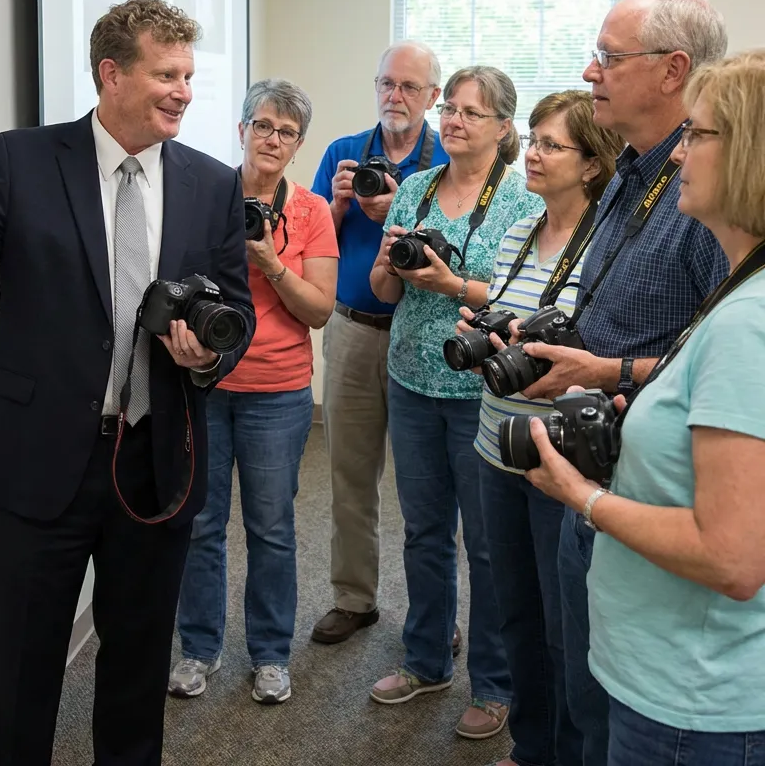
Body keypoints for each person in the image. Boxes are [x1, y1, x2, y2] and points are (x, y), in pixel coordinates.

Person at [0, 0, 256, 766]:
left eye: (189, 75)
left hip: (155, 461)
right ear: (111, 73)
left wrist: (208, 356)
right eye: (166, 73)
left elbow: (236, 311)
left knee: (136, 669)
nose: (184, 91)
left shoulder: (210, 184)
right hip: (37, 463)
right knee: (19, 674)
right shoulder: (25, 158)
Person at [525, 49, 765, 766]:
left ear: (750, 151)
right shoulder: (737, 291)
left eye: (699, 134)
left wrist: (583, 495)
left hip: (695, 704)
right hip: (671, 678)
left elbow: (733, 558)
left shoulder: (748, 322)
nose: (682, 152)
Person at [368, 65, 542, 740]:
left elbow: (522, 303)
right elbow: (386, 292)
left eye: (474, 112)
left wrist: (451, 283)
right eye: (452, 109)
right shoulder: (414, 187)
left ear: (504, 129)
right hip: (411, 380)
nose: (455, 120)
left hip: (484, 394)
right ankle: (426, 658)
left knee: (491, 546)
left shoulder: (523, 203)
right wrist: (389, 265)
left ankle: (496, 684)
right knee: (423, 531)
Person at [457, 91, 623, 766]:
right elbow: (506, 316)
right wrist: (484, 335)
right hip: (498, 442)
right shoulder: (520, 231)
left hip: (562, 459)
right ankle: (529, 746)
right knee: (512, 609)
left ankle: (571, 752)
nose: (532, 152)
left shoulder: (607, 246)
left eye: (551, 144)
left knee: (564, 626)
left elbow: (599, 350)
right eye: (531, 138)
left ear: (590, 165)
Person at [169, 79, 339, 705]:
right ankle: (198, 647)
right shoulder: (205, 195)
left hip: (278, 391)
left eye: (287, 131)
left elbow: (319, 310)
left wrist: (269, 261)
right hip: (206, 384)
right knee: (201, 522)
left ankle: (270, 654)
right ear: (240, 130)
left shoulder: (312, 211)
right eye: (262, 125)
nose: (273, 139)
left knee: (271, 527)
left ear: (299, 145)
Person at [310, 40, 450, 646]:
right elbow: (309, 239)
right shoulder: (344, 153)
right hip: (353, 330)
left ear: (433, 98)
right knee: (349, 472)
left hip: (425, 336)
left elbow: (465, 252)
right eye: (387, 84)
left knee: (430, 488)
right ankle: (354, 597)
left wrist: (407, 210)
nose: (395, 96)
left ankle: (434, 616)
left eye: (410, 87)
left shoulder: (448, 159)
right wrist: (340, 205)